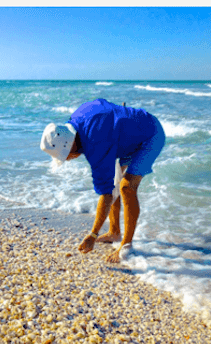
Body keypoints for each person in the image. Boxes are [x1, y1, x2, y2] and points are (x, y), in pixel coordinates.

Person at [40, 98, 165, 263]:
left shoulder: (96, 145)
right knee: (115, 182)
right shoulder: (77, 120)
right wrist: (119, 123)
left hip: (150, 136)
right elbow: (101, 104)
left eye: (66, 156)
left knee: (127, 187)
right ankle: (114, 232)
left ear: (71, 145)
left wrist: (92, 234)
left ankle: (126, 247)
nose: (68, 159)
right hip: (124, 140)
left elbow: (106, 195)